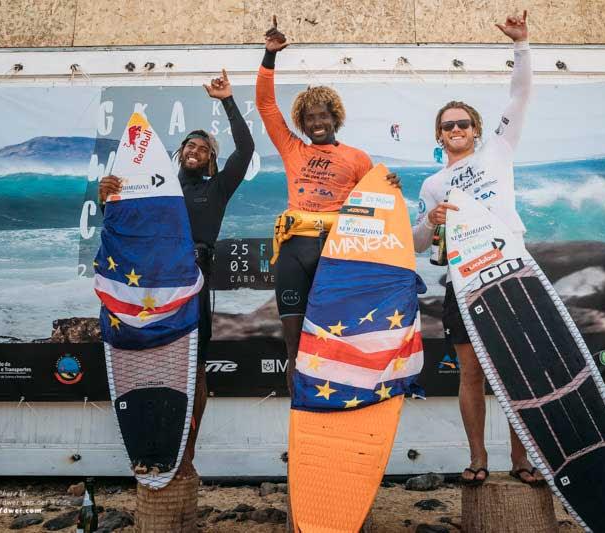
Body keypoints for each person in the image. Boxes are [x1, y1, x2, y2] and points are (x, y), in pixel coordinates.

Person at [412, 10, 544, 486]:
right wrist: (430, 218)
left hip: (509, 270)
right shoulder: (432, 182)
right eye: (448, 125)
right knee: (471, 374)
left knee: (519, 374)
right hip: (462, 280)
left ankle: (523, 461)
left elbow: (520, 93)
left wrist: (522, 44)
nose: (456, 130)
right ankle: (476, 460)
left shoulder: (499, 150)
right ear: (439, 134)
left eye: (464, 123)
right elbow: (417, 244)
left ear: (477, 128)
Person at [98, 69, 255, 469]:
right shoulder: (159, 191)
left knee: (194, 366)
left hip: (193, 282)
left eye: (203, 147)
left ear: (211, 159)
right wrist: (109, 199)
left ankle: (187, 449)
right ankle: (152, 444)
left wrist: (227, 101)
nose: (195, 149)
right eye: (189, 144)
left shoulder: (216, 189)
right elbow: (128, 226)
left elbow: (247, 148)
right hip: (152, 283)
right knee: (150, 358)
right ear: (179, 151)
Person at [257, 17, 400, 395]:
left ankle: (338, 414)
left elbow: (376, 210)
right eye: (309, 118)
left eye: (323, 115)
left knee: (341, 342)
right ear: (302, 124)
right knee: (294, 344)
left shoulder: (357, 158)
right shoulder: (292, 149)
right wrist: (269, 57)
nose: (317, 122)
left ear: (335, 118)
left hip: (337, 250)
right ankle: (300, 420)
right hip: (294, 251)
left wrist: (391, 189)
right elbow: (266, 105)